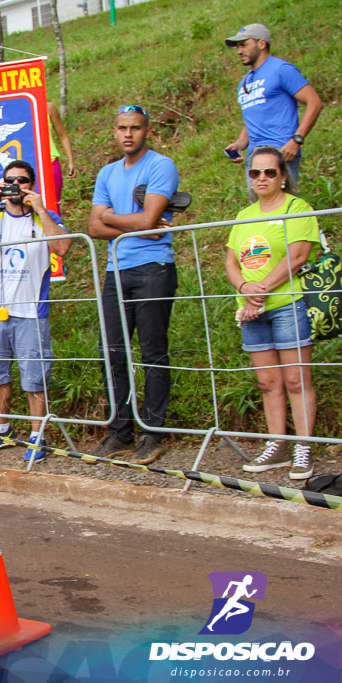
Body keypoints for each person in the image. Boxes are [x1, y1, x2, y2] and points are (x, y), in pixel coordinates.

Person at [0, 160, 70, 461]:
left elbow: (62, 247)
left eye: (22, 181)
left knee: (35, 377)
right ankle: (2, 430)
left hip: (32, 311)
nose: (16, 186)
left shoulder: (43, 216)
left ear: (31, 185)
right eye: (10, 180)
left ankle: (38, 436)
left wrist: (42, 209)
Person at [88, 104, 179, 463]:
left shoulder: (161, 166)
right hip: (116, 271)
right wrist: (138, 224)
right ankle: (121, 432)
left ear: (147, 131)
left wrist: (113, 216)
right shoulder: (107, 173)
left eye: (136, 128)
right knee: (110, 351)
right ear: (115, 131)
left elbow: (150, 218)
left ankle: (153, 434)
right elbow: (95, 228)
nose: (129, 134)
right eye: (123, 128)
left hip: (154, 268)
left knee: (153, 352)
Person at [225, 146, 317, 481]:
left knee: (296, 378)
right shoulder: (242, 215)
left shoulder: (298, 208)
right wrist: (243, 291)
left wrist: (258, 292)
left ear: (282, 176)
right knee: (268, 382)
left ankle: (305, 445)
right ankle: (277, 443)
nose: (261, 178)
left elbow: (297, 257)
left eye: (269, 172)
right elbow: (231, 262)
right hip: (251, 309)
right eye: (254, 173)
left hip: (285, 304)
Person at [223, 23, 322, 185]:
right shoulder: (245, 81)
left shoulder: (281, 69)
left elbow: (314, 102)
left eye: (244, 45)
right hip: (254, 158)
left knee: (280, 207)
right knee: (262, 209)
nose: (239, 51)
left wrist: (296, 140)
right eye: (238, 47)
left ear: (261, 44)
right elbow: (254, 114)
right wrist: (240, 144)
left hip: (280, 152)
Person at [46, 102, 76, 215]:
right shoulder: (16, 105)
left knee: (53, 207)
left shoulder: (49, 108)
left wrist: (71, 161)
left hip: (50, 162)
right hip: (25, 165)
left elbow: (62, 135)